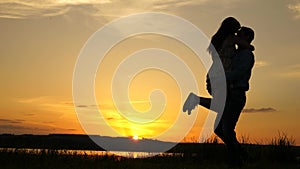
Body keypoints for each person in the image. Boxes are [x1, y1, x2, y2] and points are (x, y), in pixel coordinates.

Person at [183, 26, 255, 168]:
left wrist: (222, 77)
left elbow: (239, 73)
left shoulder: (246, 55)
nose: (237, 35)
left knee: (227, 130)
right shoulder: (235, 52)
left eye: (240, 33)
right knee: (220, 129)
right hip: (229, 92)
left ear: (246, 37)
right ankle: (241, 155)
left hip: (236, 94)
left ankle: (237, 161)